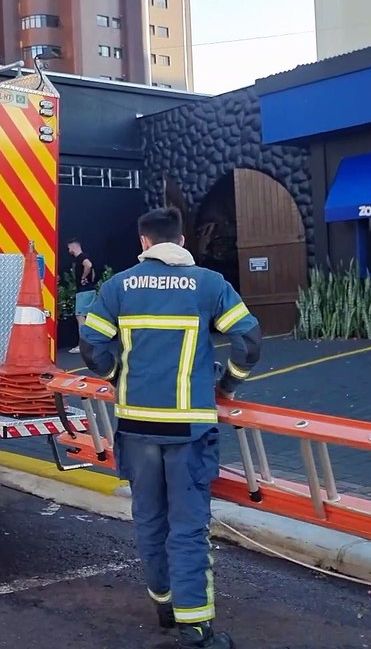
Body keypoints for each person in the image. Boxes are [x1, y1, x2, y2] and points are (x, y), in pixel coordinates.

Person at [78, 207, 262, 649]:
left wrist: (113, 375)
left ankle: (163, 602)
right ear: (181, 241)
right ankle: (195, 627)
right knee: (188, 526)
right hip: (189, 432)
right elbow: (250, 341)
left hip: (137, 427)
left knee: (150, 518)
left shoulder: (118, 285)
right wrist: (229, 383)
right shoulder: (208, 284)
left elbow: (91, 346)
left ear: (144, 243)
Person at [66, 238, 98, 353]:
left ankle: (82, 346)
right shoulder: (87, 255)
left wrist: (83, 277)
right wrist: (91, 280)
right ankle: (91, 344)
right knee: (89, 317)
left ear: (74, 247)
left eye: (69, 248)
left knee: (80, 317)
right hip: (90, 290)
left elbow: (88, 265)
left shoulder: (81, 257)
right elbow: (93, 270)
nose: (69, 251)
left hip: (84, 291)